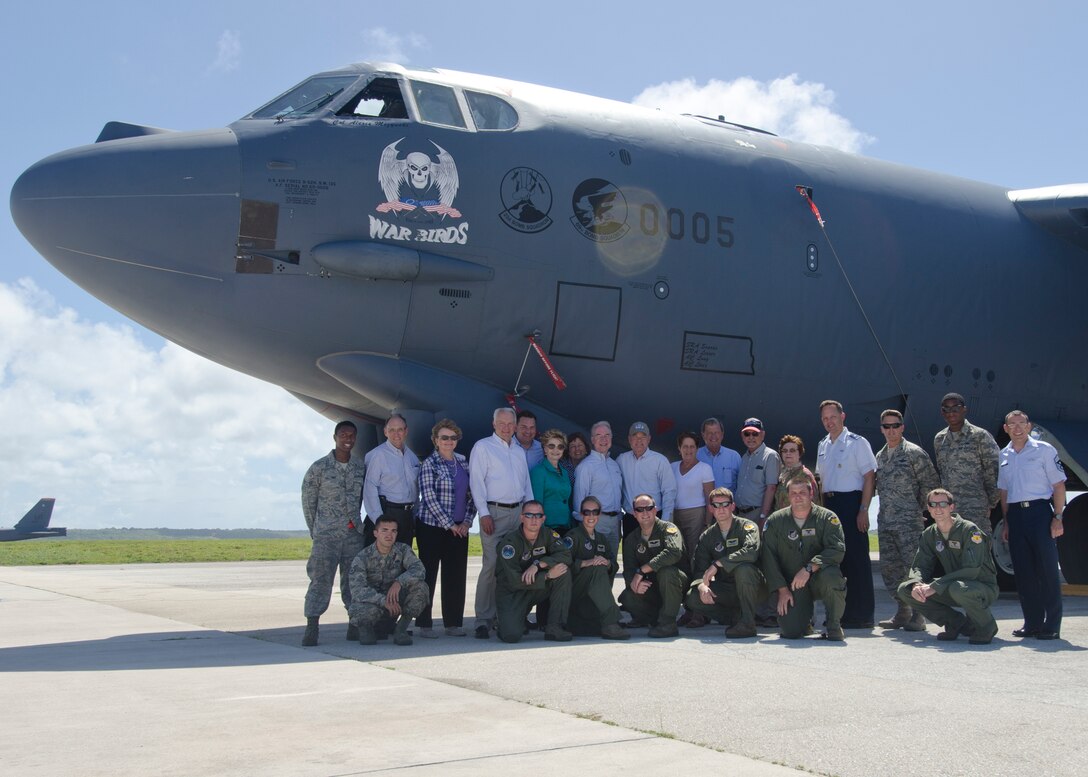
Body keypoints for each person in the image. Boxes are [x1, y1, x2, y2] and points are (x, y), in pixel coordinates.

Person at [897, 489, 999, 644]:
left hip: (981, 587)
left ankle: (986, 626)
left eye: (943, 504)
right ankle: (955, 623)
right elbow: (920, 565)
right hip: (952, 586)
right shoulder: (930, 534)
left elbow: (971, 570)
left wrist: (935, 586)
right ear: (929, 508)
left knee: (958, 588)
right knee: (906, 589)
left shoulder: (969, 530)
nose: (938, 508)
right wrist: (917, 583)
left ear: (952, 507)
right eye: (933, 504)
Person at [998, 410, 1066, 640]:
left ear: (1029, 426)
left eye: (1021, 423)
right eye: (1012, 424)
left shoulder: (1045, 450)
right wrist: (1006, 522)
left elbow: (1058, 486)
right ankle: (1033, 622)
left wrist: (1058, 517)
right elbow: (1004, 491)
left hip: (1039, 513)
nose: (1017, 428)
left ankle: (1052, 624)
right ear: (1006, 429)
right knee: (1024, 572)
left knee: (1047, 570)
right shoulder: (1004, 454)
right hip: (1016, 515)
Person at [300, 420, 368, 646]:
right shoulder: (319, 468)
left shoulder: (360, 467)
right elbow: (309, 503)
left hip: (352, 536)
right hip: (326, 536)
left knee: (354, 581)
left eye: (351, 435)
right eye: (343, 435)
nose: (347, 439)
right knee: (320, 581)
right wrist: (318, 530)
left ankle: (354, 624)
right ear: (335, 437)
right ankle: (312, 625)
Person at [469, 407, 534, 639]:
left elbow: (526, 483)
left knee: (514, 565)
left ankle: (505, 616)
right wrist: (483, 513)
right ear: (493, 424)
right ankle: (483, 619)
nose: (506, 428)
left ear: (515, 426)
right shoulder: (483, 447)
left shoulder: (518, 450)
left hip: (518, 513)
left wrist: (530, 512)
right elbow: (476, 482)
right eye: (502, 423)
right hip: (494, 514)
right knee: (492, 564)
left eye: (510, 424)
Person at [874, 409, 940, 631]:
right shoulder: (880, 456)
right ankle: (902, 612)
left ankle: (919, 615)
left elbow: (929, 485)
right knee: (891, 571)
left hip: (909, 523)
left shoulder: (914, 453)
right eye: (887, 426)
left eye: (895, 425)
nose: (891, 430)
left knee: (914, 570)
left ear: (902, 427)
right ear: (882, 429)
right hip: (886, 522)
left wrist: (917, 510)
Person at [815, 400, 877, 629]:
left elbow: (869, 477)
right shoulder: (823, 445)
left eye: (833, 417)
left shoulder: (857, 443)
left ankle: (862, 615)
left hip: (851, 503)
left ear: (843, 416)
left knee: (857, 560)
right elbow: (821, 480)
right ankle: (841, 612)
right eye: (824, 419)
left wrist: (863, 510)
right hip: (830, 505)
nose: (829, 422)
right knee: (836, 561)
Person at [762, 477, 847, 640]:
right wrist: (782, 590)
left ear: (811, 493)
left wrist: (809, 568)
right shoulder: (775, 521)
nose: (797, 496)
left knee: (831, 577)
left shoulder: (827, 518)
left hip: (819, 579)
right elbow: (769, 558)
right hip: (793, 584)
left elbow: (837, 549)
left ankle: (834, 625)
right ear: (788, 496)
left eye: (802, 492)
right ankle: (804, 623)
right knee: (790, 632)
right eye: (793, 493)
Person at [415, 419, 474, 638]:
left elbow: (472, 495)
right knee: (428, 575)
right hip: (432, 527)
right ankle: (424, 623)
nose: (448, 441)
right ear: (436, 440)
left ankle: (453, 623)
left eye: (452, 438)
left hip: (460, 528)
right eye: (444, 438)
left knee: (456, 575)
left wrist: (466, 522)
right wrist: (450, 525)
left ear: (457, 440)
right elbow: (428, 497)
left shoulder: (463, 463)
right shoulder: (430, 464)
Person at [684, 487, 765, 637]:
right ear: (710, 509)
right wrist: (701, 586)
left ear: (733, 506)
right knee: (692, 597)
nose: (720, 509)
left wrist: (718, 564)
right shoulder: (708, 536)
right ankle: (735, 618)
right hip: (727, 588)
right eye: (716, 505)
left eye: (725, 504)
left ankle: (747, 624)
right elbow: (700, 569)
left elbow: (751, 551)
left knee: (744, 569)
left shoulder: (747, 527)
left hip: (755, 586)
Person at [494, 500, 573, 643]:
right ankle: (509, 621)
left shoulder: (548, 534)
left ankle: (555, 627)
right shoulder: (509, 544)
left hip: (534, 589)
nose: (534, 520)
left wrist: (539, 564)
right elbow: (515, 581)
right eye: (529, 515)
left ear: (544, 519)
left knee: (562, 571)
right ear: (522, 517)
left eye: (538, 515)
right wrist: (547, 575)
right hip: (513, 594)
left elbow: (566, 555)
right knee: (511, 636)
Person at [348, 514, 429, 646]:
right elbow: (358, 590)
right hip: (372, 603)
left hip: (394, 599)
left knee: (421, 587)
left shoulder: (402, 550)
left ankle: (400, 630)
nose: (389, 535)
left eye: (393, 531)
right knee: (367, 635)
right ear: (375, 533)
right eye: (384, 530)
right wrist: (384, 601)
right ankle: (363, 628)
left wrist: (399, 582)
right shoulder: (362, 557)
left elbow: (419, 569)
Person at [618, 494, 688, 638]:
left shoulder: (668, 529)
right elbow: (629, 569)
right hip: (652, 586)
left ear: (655, 510)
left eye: (649, 508)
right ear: (634, 514)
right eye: (640, 509)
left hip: (676, 583)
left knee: (666, 571)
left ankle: (668, 624)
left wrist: (642, 570)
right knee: (627, 597)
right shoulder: (632, 539)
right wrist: (634, 584)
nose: (645, 513)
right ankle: (655, 619)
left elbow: (673, 552)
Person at [934, 393, 1001, 534]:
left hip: (976, 509)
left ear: (964, 409)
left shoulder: (980, 436)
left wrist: (990, 503)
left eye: (955, 408)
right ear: (942, 413)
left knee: (977, 552)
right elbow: (943, 473)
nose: (951, 413)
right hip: (950, 511)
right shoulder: (940, 440)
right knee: (952, 552)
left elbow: (994, 471)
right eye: (946, 409)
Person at [565, 496, 630, 639]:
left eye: (595, 512)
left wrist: (606, 563)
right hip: (575, 591)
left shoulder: (601, 538)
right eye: (587, 512)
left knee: (601, 567)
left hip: (593, 596)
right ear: (581, 514)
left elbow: (614, 564)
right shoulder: (572, 537)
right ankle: (611, 622)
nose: (591, 516)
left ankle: (607, 618)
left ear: (599, 514)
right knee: (597, 568)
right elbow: (563, 564)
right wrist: (586, 563)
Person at [362, 413, 420, 548]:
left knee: (401, 561)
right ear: (385, 432)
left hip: (406, 517)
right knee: (380, 564)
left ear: (406, 431)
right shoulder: (378, 455)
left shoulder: (412, 457)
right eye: (392, 430)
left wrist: (414, 516)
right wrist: (379, 521)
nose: (396, 434)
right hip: (386, 513)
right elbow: (370, 488)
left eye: (400, 429)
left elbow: (415, 490)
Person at [618, 421, 676, 538]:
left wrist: (665, 522)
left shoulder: (660, 461)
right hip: (631, 519)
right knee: (631, 555)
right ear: (629, 439)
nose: (639, 441)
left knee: (657, 555)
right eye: (635, 436)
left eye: (643, 437)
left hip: (654, 518)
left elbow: (669, 491)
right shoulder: (621, 460)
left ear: (649, 439)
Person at [573, 421, 624, 550]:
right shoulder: (586, 466)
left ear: (611, 439)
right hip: (595, 522)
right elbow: (579, 501)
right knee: (596, 563)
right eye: (599, 435)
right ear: (592, 440)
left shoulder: (614, 465)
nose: (603, 439)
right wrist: (587, 528)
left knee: (612, 564)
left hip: (615, 522)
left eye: (607, 435)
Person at [671, 430, 715, 573]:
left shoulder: (705, 469)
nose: (688, 450)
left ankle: (695, 587)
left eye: (692, 447)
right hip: (676, 515)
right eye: (685, 446)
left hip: (696, 515)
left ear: (696, 449)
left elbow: (710, 498)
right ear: (679, 448)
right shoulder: (672, 467)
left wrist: (707, 523)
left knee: (694, 554)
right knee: (678, 552)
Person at [735, 418, 780, 527]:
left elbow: (771, 488)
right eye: (747, 434)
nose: (751, 437)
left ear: (763, 435)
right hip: (740, 514)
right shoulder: (744, 457)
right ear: (742, 436)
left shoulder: (770, 456)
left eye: (755, 433)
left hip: (757, 514)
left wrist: (763, 516)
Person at [530, 429, 573, 533]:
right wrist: (541, 530)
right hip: (547, 528)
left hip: (566, 526)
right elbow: (537, 503)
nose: (556, 450)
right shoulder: (538, 472)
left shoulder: (565, 472)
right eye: (551, 446)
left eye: (560, 446)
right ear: (545, 449)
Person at [696, 417, 742, 491]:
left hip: (728, 502)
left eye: (716, 432)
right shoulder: (695, 456)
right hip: (703, 502)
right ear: (703, 435)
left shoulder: (734, 457)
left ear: (722, 434)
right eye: (709, 433)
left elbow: (742, 485)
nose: (713, 436)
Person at [775, 435, 819, 510]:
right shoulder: (781, 475)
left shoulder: (805, 475)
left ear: (799, 453)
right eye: (785, 451)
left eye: (792, 450)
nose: (788, 453)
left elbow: (814, 504)